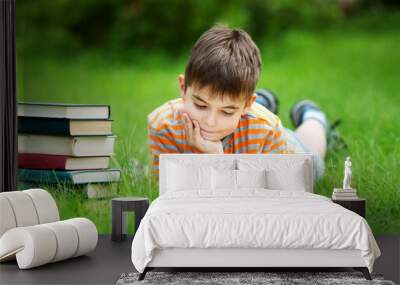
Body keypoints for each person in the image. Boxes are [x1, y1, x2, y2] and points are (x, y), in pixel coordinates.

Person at [146, 25, 347, 183]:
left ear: (247, 104)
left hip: (270, 143)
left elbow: (274, 193)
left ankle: (312, 114)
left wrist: (218, 158)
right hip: (247, 124)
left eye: (227, 111)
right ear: (183, 88)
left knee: (314, 166)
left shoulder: (267, 129)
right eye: (200, 105)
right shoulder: (164, 126)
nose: (211, 122)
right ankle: (263, 100)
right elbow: (169, 192)